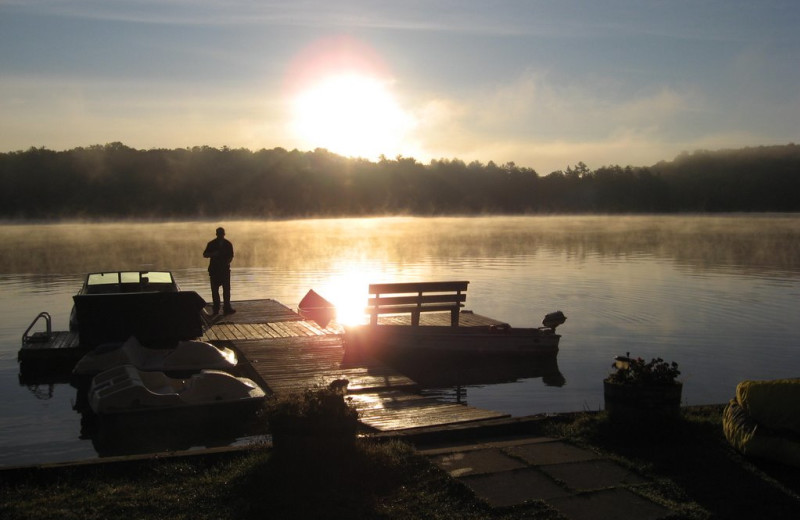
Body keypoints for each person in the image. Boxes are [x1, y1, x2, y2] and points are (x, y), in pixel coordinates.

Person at [203, 227, 235, 315]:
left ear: (224, 234)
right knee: (215, 291)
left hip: (225, 270)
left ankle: (227, 307)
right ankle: (216, 309)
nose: (221, 235)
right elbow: (205, 254)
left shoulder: (228, 244)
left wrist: (227, 262)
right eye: (219, 234)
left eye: (222, 234)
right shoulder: (211, 244)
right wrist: (213, 254)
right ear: (216, 234)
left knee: (226, 290)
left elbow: (231, 256)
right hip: (214, 270)